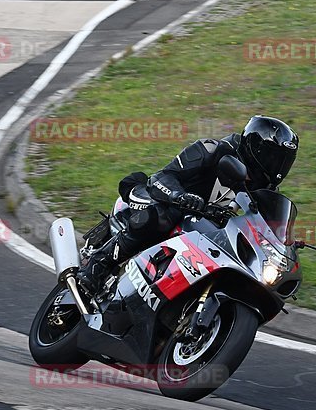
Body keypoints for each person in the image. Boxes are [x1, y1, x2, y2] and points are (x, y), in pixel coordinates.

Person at [77, 115, 299, 297]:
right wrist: (179, 196)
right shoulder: (213, 150)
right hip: (159, 198)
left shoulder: (265, 192)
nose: (277, 166)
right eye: (273, 157)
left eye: (283, 160)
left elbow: (261, 227)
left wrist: (282, 244)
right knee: (164, 216)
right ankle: (98, 265)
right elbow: (162, 177)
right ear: (255, 147)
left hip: (200, 231)